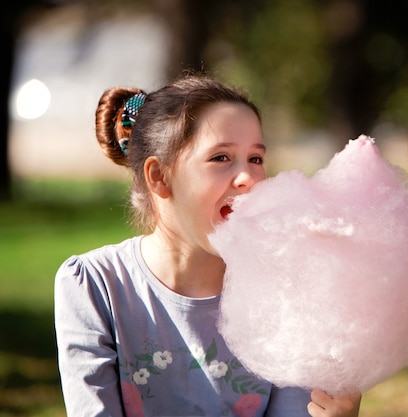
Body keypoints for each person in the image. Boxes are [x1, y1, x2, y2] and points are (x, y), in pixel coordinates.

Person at [54, 72, 362, 417]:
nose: (248, 178)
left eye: (256, 159)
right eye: (221, 158)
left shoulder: (286, 291)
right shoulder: (96, 285)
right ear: (159, 176)